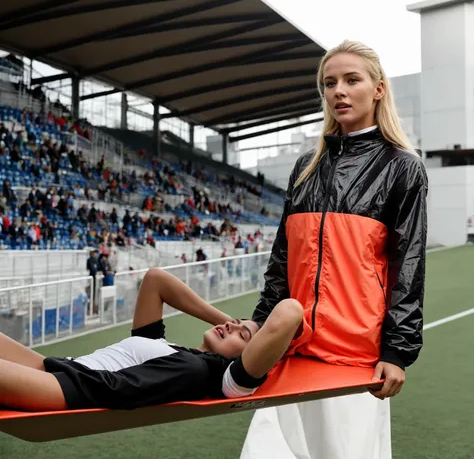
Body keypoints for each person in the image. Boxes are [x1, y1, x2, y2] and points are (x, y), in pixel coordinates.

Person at [240, 40, 428, 459]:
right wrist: (260, 325)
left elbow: (408, 264)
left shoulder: (402, 166)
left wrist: (397, 352)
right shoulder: (306, 165)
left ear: (378, 89)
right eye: (329, 83)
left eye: (351, 80)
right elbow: (281, 260)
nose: (338, 90)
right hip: (291, 350)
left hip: (353, 358)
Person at [0, 268, 303, 412]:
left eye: (241, 335)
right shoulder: (164, 347)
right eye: (234, 324)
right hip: (54, 367)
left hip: (70, 387)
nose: (230, 326)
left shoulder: (220, 377)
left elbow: (289, 312)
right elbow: (155, 280)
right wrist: (230, 324)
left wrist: (256, 348)